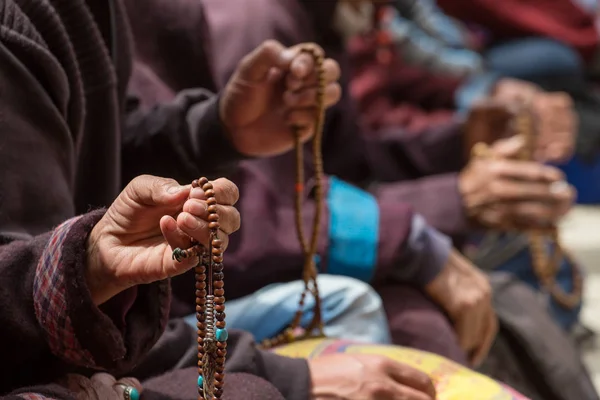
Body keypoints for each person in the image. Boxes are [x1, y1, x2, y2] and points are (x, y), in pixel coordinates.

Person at [0, 0, 445, 399]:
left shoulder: (90, 13)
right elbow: (36, 326)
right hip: (94, 340)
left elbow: (112, 143)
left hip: (128, 317)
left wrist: (217, 132)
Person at [126, 0, 498, 367]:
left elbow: (348, 159)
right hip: (179, 301)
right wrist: (417, 234)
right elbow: (256, 216)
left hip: (281, 244)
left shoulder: (331, 18)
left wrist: (458, 143)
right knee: (407, 322)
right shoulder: (256, 22)